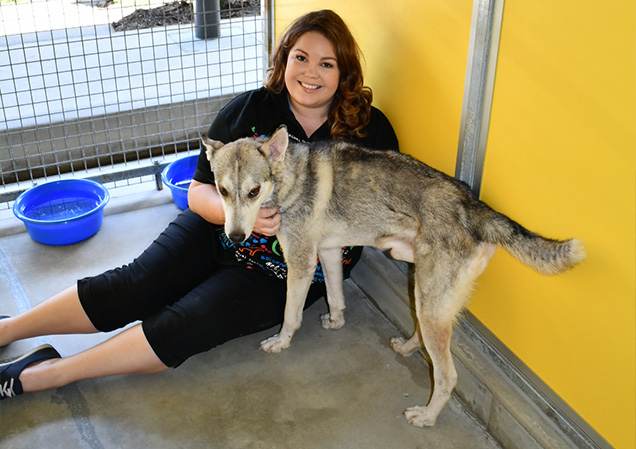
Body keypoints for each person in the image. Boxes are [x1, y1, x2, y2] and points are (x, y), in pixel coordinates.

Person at [0, 9, 398, 399]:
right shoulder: (248, 111)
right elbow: (197, 193)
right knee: (137, 285)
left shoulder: (370, 130)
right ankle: (9, 329)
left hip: (284, 269)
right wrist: (248, 219)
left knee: (186, 323)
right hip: (214, 231)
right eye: (301, 58)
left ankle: (43, 374)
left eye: (326, 64)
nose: (311, 73)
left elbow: (384, 207)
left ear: (344, 72)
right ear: (284, 59)